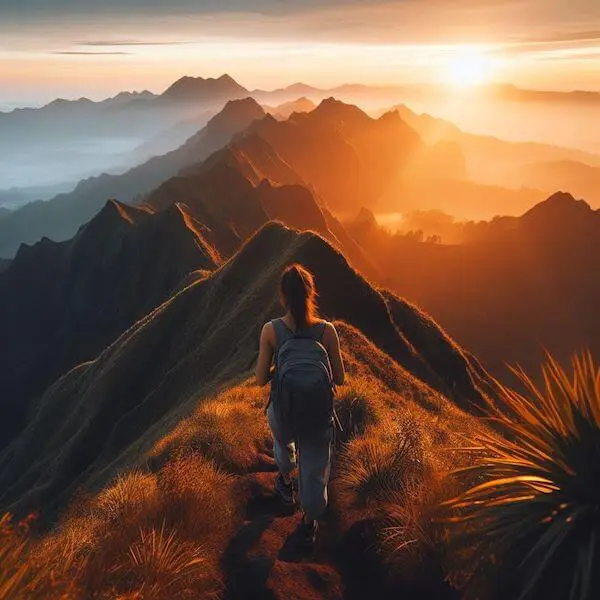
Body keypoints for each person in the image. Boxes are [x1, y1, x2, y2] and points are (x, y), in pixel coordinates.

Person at [256, 264, 345, 547]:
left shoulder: (271, 330)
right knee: (315, 467)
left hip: (285, 413)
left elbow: (259, 379)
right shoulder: (327, 332)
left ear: (283, 296)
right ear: (311, 293)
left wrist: (279, 370)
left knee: (282, 442)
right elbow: (340, 379)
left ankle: (285, 480)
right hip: (318, 416)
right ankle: (309, 523)